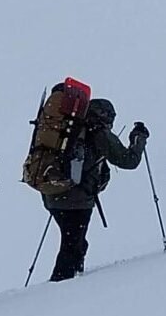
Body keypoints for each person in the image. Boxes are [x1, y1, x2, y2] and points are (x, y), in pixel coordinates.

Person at [43, 100, 148, 281]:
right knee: (72, 245)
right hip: (78, 199)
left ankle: (74, 280)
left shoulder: (66, 128)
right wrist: (139, 139)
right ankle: (58, 289)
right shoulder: (98, 132)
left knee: (74, 241)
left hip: (51, 193)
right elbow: (129, 161)